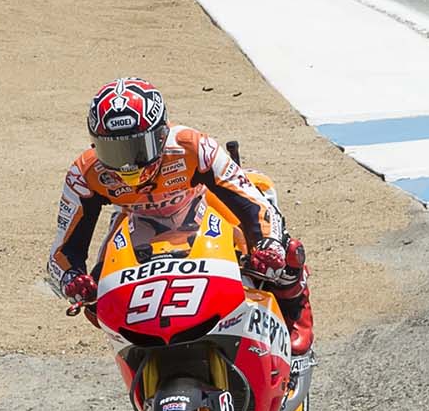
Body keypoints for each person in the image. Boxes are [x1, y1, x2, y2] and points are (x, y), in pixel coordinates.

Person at [46, 77, 313, 354]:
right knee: (97, 302)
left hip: (203, 206)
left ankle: (295, 308)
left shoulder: (192, 146)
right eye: (112, 151)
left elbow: (254, 203)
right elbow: (61, 253)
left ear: (161, 135)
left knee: (278, 255)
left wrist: (268, 243)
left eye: (138, 148)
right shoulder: (84, 173)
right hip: (134, 220)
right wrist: (72, 279)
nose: (126, 164)